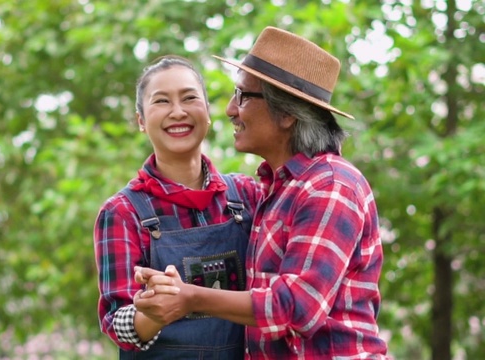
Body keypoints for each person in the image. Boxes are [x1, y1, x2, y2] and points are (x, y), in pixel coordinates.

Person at [134, 27, 390, 359]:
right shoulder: (273, 191)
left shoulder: (330, 186)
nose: (229, 109)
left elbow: (297, 305)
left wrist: (192, 297)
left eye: (242, 96)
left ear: (285, 113)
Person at [93, 55, 265, 359]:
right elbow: (115, 322)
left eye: (189, 98)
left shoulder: (249, 194)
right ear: (141, 121)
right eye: (161, 101)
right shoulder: (122, 212)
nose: (178, 112)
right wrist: (155, 312)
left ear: (208, 112)